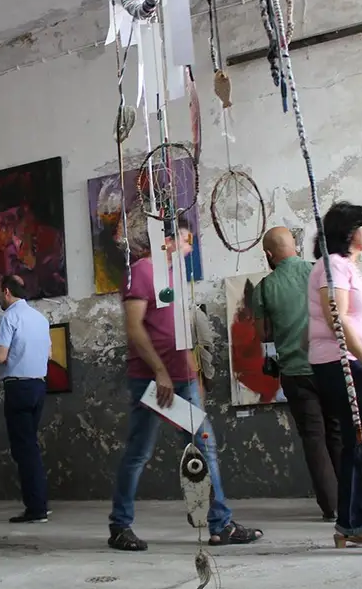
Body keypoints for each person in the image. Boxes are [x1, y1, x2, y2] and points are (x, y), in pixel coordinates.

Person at [108, 206, 262, 552]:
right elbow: (134, 328)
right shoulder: (141, 273)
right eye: (185, 240)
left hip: (180, 379)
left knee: (202, 443)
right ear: (165, 242)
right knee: (139, 452)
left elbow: (180, 330)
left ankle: (220, 525)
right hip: (151, 383)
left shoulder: (175, 276)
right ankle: (120, 526)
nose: (190, 248)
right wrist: (161, 373)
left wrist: (193, 377)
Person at [307, 202, 362, 549]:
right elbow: (336, 319)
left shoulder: (346, 267)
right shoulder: (331, 265)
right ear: (347, 232)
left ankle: (350, 523)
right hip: (338, 360)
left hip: (349, 357)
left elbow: (356, 321)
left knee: (358, 439)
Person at [252, 226, 341, 522]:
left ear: (268, 255)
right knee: (337, 432)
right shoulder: (318, 271)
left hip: (295, 373)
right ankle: (351, 500)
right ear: (296, 247)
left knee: (314, 438)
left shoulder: (264, 288)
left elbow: (263, 334)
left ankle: (331, 506)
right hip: (328, 365)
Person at [0, 274, 52, 524]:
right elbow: (49, 353)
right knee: (31, 445)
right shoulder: (40, 318)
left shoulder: (8, 318)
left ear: (7, 291)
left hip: (18, 389)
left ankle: (36, 509)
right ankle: (40, 502)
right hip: (39, 386)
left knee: (24, 450)